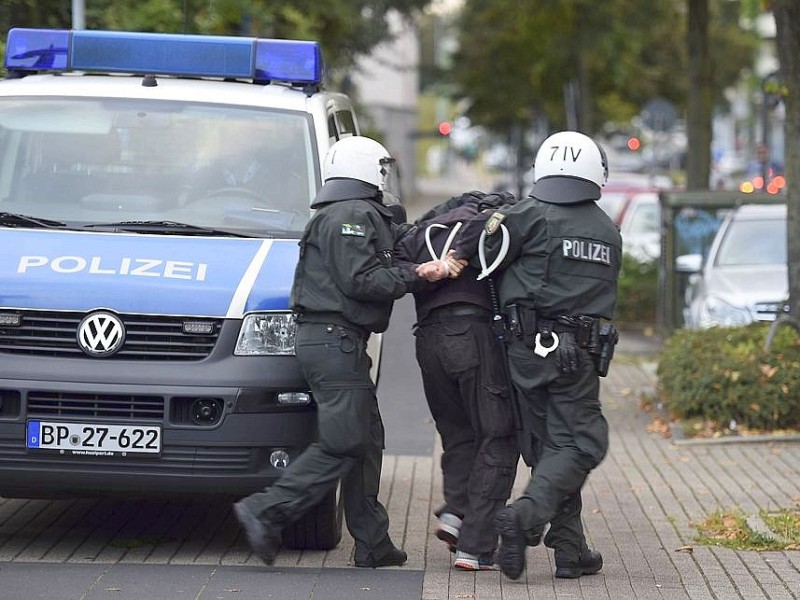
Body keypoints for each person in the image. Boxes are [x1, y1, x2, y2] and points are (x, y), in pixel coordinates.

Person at [232, 136, 451, 568]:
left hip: (338, 341)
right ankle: (265, 510)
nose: (385, 177)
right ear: (365, 169)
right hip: (334, 340)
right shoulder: (350, 214)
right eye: (381, 169)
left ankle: (373, 542)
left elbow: (397, 237)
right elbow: (362, 280)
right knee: (345, 439)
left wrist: (450, 213)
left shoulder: (355, 212)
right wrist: (420, 275)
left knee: (366, 440)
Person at [450, 131, 622, 580]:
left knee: (553, 448)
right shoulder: (607, 229)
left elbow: (478, 252)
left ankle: (571, 551)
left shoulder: (525, 215)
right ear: (595, 171)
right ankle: (525, 516)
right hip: (577, 355)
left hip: (523, 352)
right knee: (583, 441)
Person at [395, 191, 519, 571]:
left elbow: (398, 260)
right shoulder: (490, 218)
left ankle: (456, 513)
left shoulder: (423, 231)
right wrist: (456, 260)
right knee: (498, 436)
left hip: (428, 339)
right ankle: (476, 546)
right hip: (472, 334)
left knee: (458, 434)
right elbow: (497, 221)